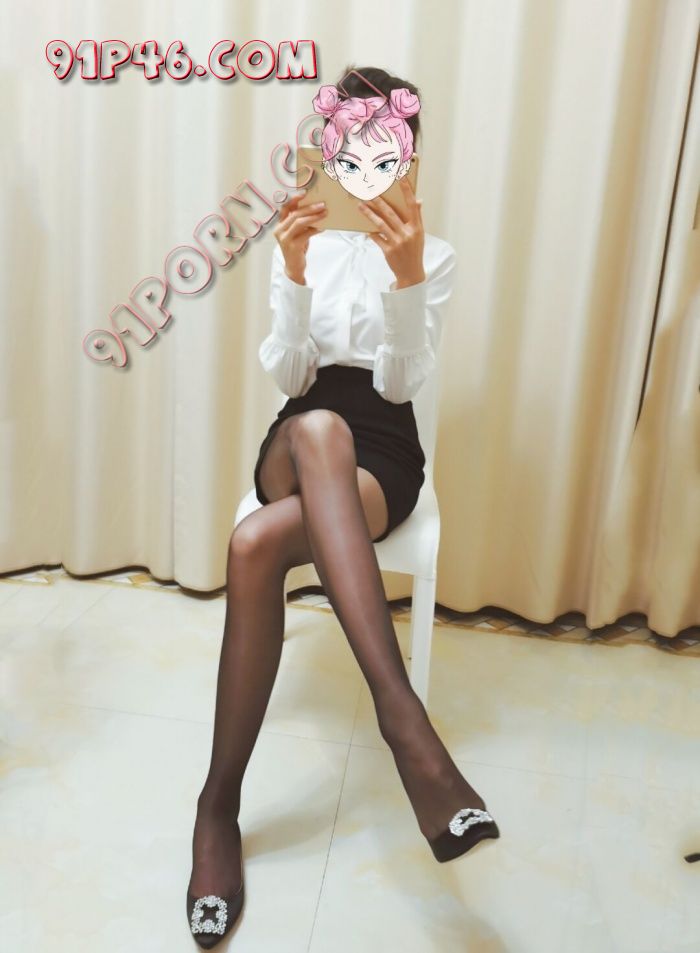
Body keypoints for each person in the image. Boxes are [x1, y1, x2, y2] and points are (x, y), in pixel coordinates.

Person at [186, 65, 500, 947]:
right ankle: (409, 729)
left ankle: (216, 809)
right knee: (320, 423)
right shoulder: (307, 243)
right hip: (299, 441)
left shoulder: (434, 255)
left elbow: (399, 386)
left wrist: (407, 281)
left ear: (408, 157)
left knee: (254, 545)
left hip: (383, 452)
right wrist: (291, 271)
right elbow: (291, 376)